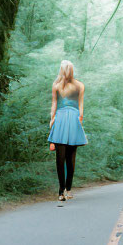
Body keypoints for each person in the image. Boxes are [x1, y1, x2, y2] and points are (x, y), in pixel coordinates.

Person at [48, 60, 87, 202]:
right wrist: (80, 120)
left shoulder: (56, 85)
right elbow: (81, 105)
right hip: (73, 120)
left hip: (61, 119)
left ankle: (61, 191)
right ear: (72, 70)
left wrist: (52, 120)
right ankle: (68, 189)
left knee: (60, 158)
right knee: (71, 159)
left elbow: (54, 104)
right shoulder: (80, 85)